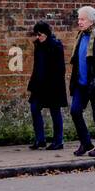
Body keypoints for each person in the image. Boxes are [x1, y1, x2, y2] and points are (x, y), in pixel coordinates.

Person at [68, 6, 95, 157]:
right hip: (81, 83)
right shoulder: (80, 36)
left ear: (91, 21)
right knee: (75, 111)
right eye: (78, 18)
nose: (79, 22)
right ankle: (85, 143)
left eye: (82, 19)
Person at [27, 21, 67, 150]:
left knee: (55, 112)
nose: (38, 37)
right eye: (36, 35)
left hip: (53, 85)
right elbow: (37, 66)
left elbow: (60, 68)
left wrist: (55, 84)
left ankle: (58, 141)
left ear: (46, 34)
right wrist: (33, 83)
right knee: (34, 109)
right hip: (39, 85)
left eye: (40, 34)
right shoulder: (38, 46)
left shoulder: (56, 45)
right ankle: (40, 139)